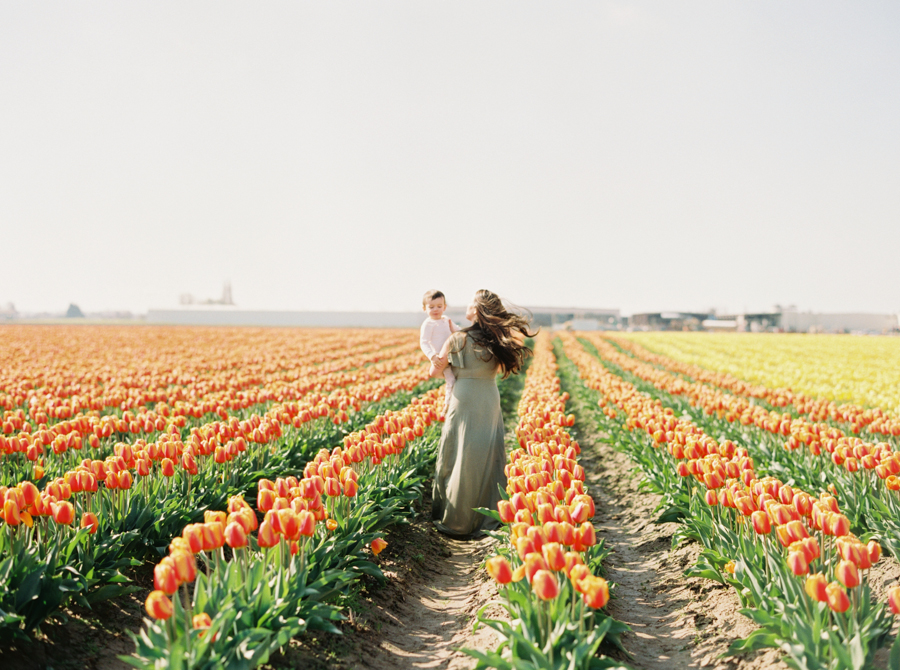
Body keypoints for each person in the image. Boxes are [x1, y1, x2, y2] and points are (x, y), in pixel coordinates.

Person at [429, 289, 535, 539]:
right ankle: (486, 517)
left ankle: (456, 520)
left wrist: (433, 360)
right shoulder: (499, 340)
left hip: (463, 396)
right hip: (488, 395)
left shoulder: (458, 338)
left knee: (459, 454)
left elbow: (435, 371)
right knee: (486, 455)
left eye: (469, 304)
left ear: (475, 311)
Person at [419, 290, 459, 412]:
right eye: (431, 307)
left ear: (445, 307)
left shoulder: (446, 320)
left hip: (454, 355)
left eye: (439, 306)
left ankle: (457, 404)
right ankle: (447, 405)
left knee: (459, 378)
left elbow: (457, 330)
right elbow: (424, 342)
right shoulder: (428, 324)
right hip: (440, 357)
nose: (435, 309)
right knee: (450, 380)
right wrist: (432, 356)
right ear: (424, 308)